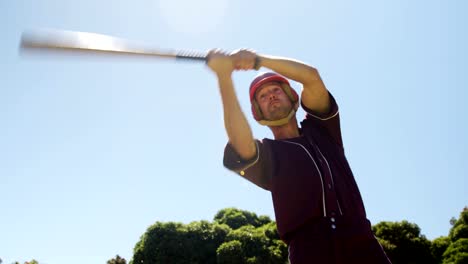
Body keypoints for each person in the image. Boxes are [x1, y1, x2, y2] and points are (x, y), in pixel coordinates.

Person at [207, 49, 391, 264]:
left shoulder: (323, 129)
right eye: (263, 97)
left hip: (362, 244)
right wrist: (224, 77)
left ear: (292, 97)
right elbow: (240, 144)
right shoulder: (268, 154)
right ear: (258, 112)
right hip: (309, 251)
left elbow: (312, 77)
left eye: (276, 90)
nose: (271, 96)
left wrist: (258, 60)